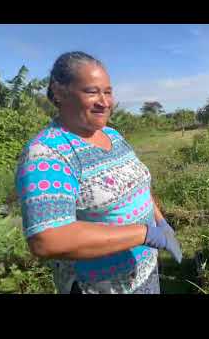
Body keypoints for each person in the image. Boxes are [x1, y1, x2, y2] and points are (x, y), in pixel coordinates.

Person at [15, 51, 181, 294]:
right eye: (91, 92)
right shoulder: (47, 152)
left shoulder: (113, 136)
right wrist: (144, 234)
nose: (104, 101)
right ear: (60, 93)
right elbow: (47, 239)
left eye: (108, 91)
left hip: (143, 275)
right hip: (99, 287)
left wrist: (160, 221)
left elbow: (139, 185)